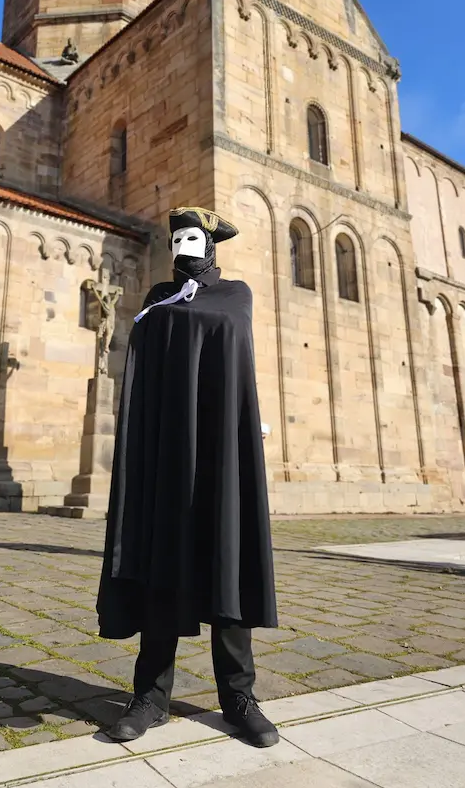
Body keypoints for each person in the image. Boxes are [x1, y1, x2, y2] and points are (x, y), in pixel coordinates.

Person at [97, 206, 279, 748]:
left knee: (227, 559)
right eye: (176, 237)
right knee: (162, 560)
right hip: (167, 448)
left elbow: (232, 356)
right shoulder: (156, 299)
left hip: (222, 447)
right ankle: (150, 696)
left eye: (193, 236)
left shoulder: (236, 295)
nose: (183, 244)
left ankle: (238, 697)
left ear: (213, 243)